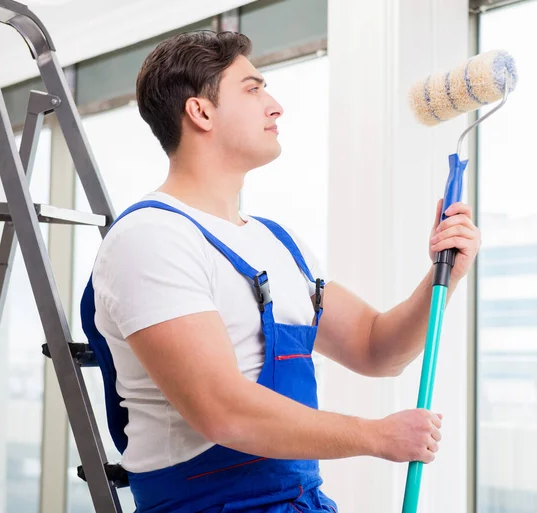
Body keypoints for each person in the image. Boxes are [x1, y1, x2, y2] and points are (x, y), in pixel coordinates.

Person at [81, 30, 481, 513]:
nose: (275, 106)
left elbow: (377, 349)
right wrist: (377, 437)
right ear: (200, 112)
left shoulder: (278, 242)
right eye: (252, 89)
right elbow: (222, 411)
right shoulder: (152, 238)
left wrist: (445, 275)